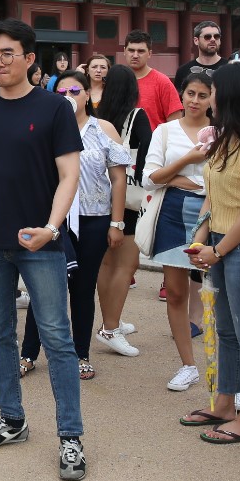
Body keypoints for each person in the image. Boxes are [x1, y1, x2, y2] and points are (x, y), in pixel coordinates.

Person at [0, 19, 88, 481]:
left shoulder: (54, 109)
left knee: (57, 338)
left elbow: (69, 175)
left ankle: (70, 436)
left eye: (7, 54)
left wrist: (52, 229)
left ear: (31, 59)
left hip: (40, 242)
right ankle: (12, 419)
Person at [182, 63, 240, 444]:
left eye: (214, 90)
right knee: (224, 329)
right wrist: (201, 240)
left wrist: (218, 250)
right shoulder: (224, 140)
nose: (209, 98)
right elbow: (214, 198)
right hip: (220, 241)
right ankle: (223, 403)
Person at [20, 70, 129, 382]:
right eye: (63, 91)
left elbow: (118, 177)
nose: (69, 96)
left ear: (87, 95)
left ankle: (81, 354)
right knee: (44, 287)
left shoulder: (103, 128)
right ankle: (28, 353)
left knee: (83, 289)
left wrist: (117, 222)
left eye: (76, 90)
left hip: (95, 220)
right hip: (54, 220)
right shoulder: (46, 128)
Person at [144, 72, 213, 391]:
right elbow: (149, 178)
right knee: (175, 291)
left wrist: (177, 178)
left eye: (202, 94)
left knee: (219, 291)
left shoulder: (223, 131)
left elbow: (221, 180)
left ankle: (226, 368)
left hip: (213, 213)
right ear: (181, 95)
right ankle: (188, 365)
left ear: (212, 98)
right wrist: (189, 159)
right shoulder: (166, 131)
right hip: (172, 211)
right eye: (190, 93)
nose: (195, 100)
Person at [93, 65, 151, 357]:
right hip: (127, 202)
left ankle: (110, 320)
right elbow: (149, 155)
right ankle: (110, 327)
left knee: (107, 265)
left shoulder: (97, 118)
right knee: (126, 266)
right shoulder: (136, 117)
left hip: (100, 199)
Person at [123, 30, 182, 130]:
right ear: (124, 51)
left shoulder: (162, 82)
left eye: (141, 51)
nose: (135, 55)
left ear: (149, 53)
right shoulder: (116, 80)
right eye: (131, 50)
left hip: (153, 143)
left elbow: (175, 122)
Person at [174, 21, 224, 92]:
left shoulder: (229, 68)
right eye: (207, 37)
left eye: (216, 36)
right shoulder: (183, 71)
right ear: (196, 40)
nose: (213, 39)